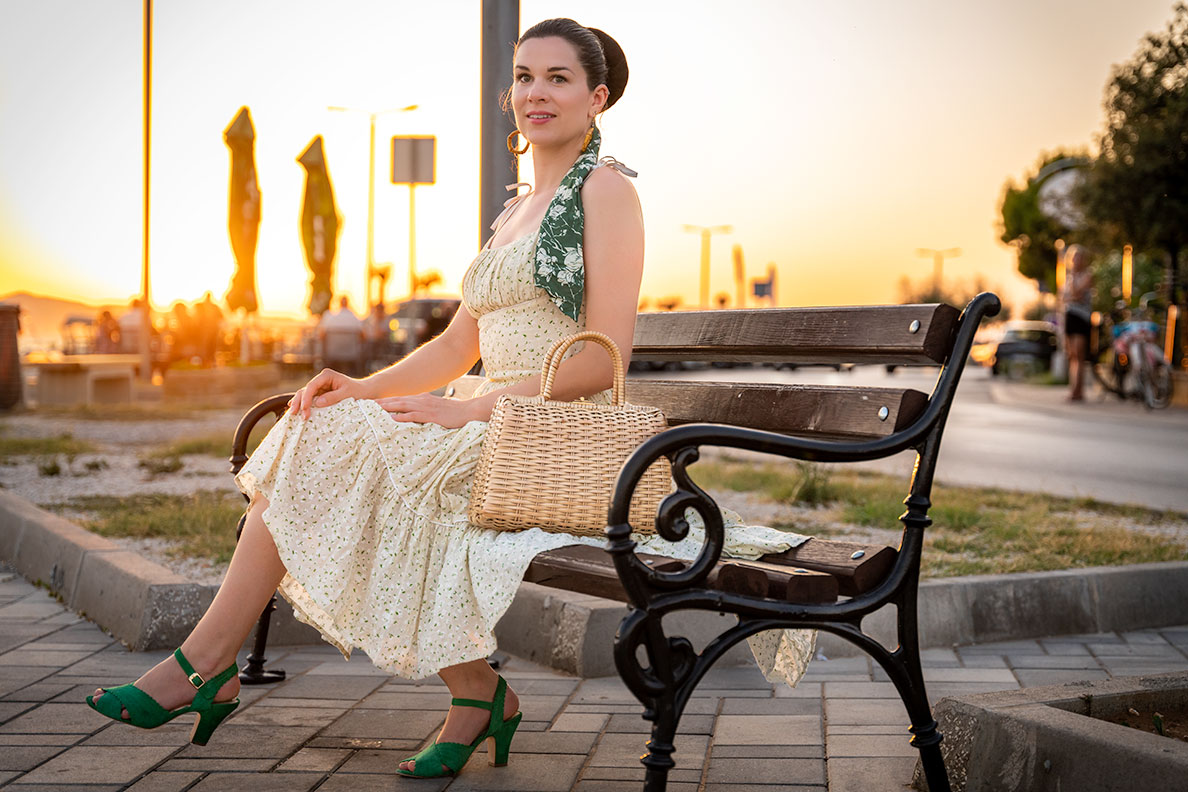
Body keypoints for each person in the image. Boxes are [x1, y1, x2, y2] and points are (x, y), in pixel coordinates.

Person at [85, 19, 815, 779]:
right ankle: (437, 691)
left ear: (596, 98)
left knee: (367, 464)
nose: (535, 91)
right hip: (492, 420)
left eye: (558, 78)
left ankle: (217, 667)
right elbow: (453, 348)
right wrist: (360, 388)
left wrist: (474, 408)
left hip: (558, 436)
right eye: (525, 75)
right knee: (324, 429)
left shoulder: (607, 192)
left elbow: (606, 356)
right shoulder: (514, 212)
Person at [1061, 244, 1093, 401]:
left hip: (1082, 318)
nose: (1076, 261)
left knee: (1079, 355)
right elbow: (1063, 299)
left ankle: (1078, 391)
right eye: (1074, 258)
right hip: (1070, 316)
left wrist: (1073, 279)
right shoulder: (1067, 278)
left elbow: (1075, 293)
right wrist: (1072, 297)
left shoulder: (1087, 275)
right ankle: (1073, 389)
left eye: (1079, 258)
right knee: (1072, 355)